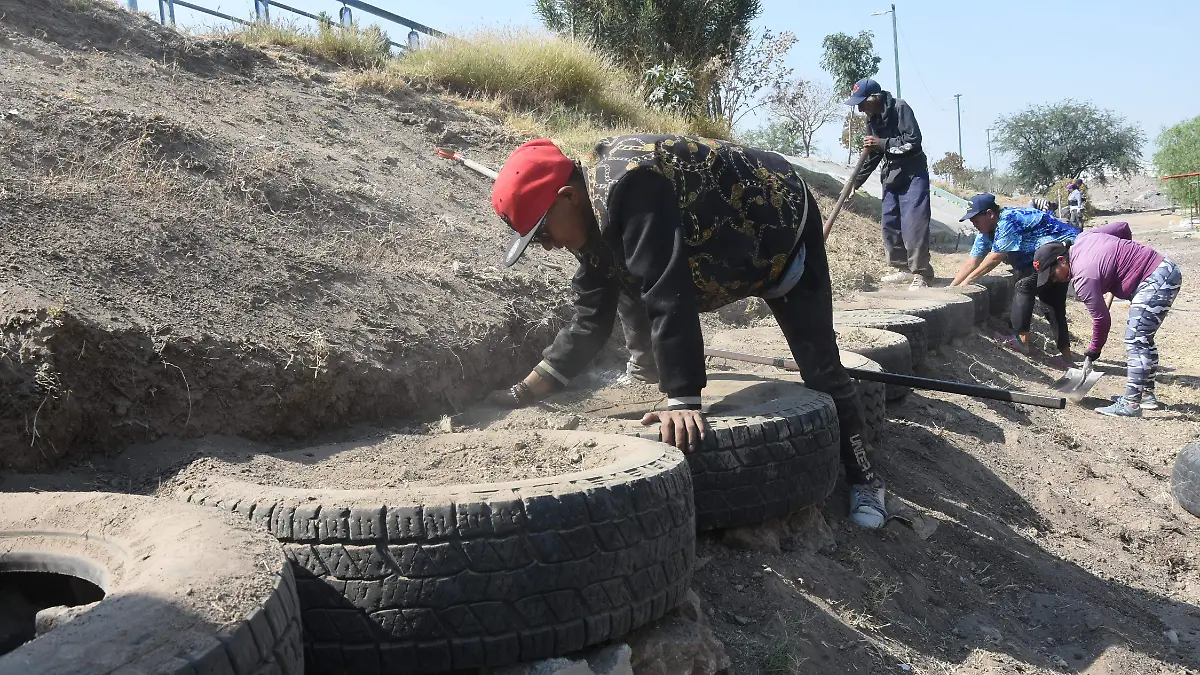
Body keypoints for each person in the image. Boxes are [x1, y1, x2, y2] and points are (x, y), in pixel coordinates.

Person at [487, 135, 887, 528]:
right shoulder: (587, 216)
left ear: (567, 197)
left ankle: (866, 478)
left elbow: (666, 285)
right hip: (712, 242)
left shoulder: (631, 184)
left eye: (541, 233)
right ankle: (648, 370)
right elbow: (591, 317)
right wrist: (525, 390)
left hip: (776, 224)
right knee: (620, 273)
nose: (546, 247)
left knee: (820, 367)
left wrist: (683, 398)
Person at [1034, 222, 1183, 417]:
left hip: (1154, 280)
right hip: (1165, 270)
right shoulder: (1084, 238)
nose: (1055, 280)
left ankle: (1131, 404)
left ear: (1061, 260)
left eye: (1052, 275)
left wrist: (1093, 352)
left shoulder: (1083, 278)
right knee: (1143, 339)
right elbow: (1122, 227)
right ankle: (1145, 395)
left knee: (1136, 339)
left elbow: (1102, 320)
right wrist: (1121, 256)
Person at [950, 193, 1081, 365]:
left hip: (1061, 255)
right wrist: (952, 287)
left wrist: (968, 282)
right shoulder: (986, 232)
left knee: (1025, 287)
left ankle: (1021, 341)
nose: (973, 224)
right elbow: (972, 262)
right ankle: (1067, 358)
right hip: (1047, 257)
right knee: (1051, 305)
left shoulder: (1007, 221)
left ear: (990, 214)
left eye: (975, 220)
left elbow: (995, 258)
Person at [843, 78, 934, 290]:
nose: (859, 109)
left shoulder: (900, 108)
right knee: (890, 224)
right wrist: (856, 181)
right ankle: (902, 269)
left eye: (862, 103)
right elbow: (873, 154)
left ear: (875, 98)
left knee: (914, 225)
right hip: (892, 175)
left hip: (913, 174)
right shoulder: (872, 120)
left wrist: (881, 143)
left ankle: (922, 273)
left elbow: (913, 142)